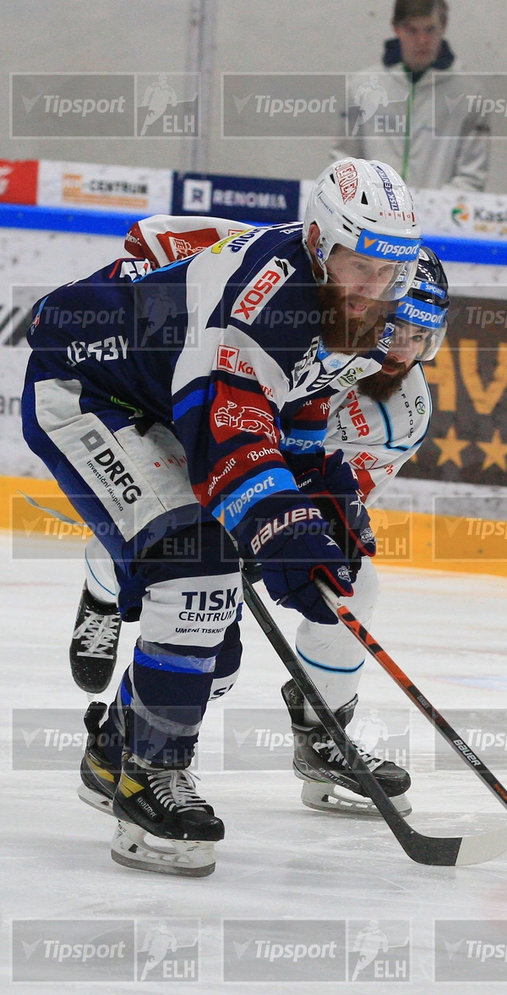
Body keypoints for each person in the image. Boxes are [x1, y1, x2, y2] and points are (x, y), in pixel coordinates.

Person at [22, 157, 423, 876]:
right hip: (87, 386)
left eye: (386, 274)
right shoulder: (271, 295)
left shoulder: (346, 306)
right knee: (194, 570)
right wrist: (283, 531)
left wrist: (325, 507)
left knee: (217, 651)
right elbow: (231, 431)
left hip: (163, 396)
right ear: (319, 240)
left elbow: (292, 413)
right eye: (358, 264)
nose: (371, 289)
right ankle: (151, 772)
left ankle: (115, 748)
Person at [71, 222, 449, 820]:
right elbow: (158, 242)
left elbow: (334, 487)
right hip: (181, 421)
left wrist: (306, 537)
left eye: (421, 339)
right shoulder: (296, 311)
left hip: (259, 481)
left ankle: (322, 732)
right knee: (189, 578)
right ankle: (102, 593)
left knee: (346, 591)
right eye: (397, 326)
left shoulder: (403, 412)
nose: (401, 351)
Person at [332, 0, 490, 192]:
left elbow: (472, 176)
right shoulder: (361, 87)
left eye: (430, 30)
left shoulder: (469, 94)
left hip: (438, 217)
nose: (422, 41)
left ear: (444, 27)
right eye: (412, 30)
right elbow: (344, 161)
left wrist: (434, 209)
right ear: (396, 28)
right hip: (371, 215)